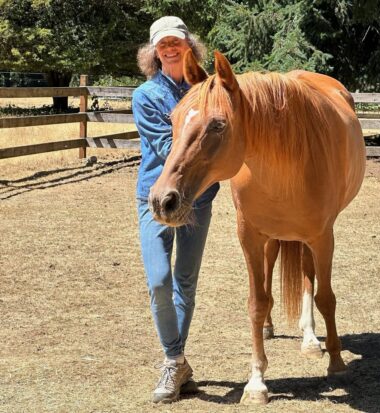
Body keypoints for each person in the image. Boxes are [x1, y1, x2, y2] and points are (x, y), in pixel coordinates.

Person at [132, 16, 219, 404]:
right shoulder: (146, 95)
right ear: (153, 52)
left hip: (199, 197)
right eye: (162, 44)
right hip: (157, 198)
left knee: (185, 280)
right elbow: (171, 151)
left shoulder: (208, 89)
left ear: (189, 46)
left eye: (176, 42)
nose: (170, 49)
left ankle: (173, 361)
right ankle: (176, 358)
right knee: (158, 281)